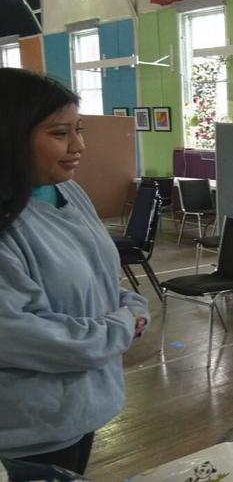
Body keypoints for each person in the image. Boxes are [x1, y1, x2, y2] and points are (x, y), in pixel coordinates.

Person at [0, 68, 148, 474]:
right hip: (30, 429)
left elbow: (102, 274)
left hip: (81, 408)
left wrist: (131, 304)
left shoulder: (67, 190)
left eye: (78, 130)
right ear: (11, 136)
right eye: (59, 133)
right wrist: (120, 326)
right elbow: (24, 335)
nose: (78, 145)